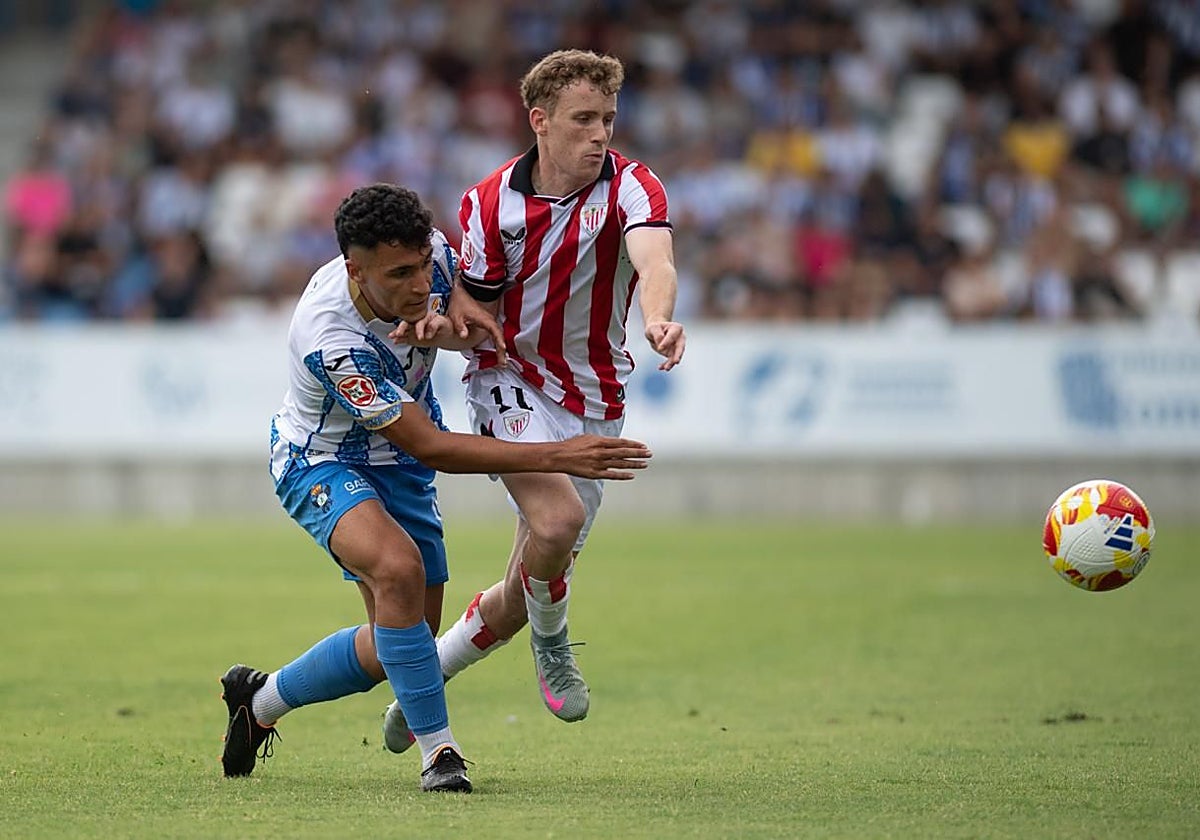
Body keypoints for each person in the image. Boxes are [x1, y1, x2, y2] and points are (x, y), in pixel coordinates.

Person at [219, 183, 652, 793]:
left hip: (399, 463)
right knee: (398, 570)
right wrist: (561, 455)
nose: (420, 283)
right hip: (321, 460)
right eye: (399, 274)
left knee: (399, 648)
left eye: (423, 265)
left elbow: (471, 321)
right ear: (355, 269)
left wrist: (455, 323)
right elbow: (435, 447)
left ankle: (259, 703)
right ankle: (440, 755)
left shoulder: (439, 260)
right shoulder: (331, 339)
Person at [382, 49, 685, 743]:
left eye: (608, 118)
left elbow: (655, 260)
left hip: (595, 393)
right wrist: (439, 330)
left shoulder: (634, 187)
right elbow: (478, 319)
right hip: (508, 378)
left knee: (522, 592)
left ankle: (426, 680)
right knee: (555, 524)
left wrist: (658, 317)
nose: (601, 133)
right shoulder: (490, 203)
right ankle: (556, 644)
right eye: (584, 119)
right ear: (540, 121)